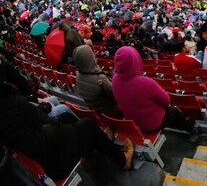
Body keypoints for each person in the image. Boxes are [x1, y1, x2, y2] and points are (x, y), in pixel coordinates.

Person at [0, 82, 134, 180]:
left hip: (45, 163)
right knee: (87, 125)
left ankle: (103, 145)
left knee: (74, 124)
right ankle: (123, 160)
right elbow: (47, 122)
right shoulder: (14, 103)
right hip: (57, 160)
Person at [112, 46, 194, 133]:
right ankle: (190, 128)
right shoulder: (145, 82)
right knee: (173, 111)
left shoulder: (114, 78)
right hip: (151, 124)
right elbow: (166, 100)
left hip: (132, 122)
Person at [73, 45, 120, 117]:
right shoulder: (100, 79)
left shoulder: (78, 74)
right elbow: (116, 96)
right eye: (92, 53)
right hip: (110, 112)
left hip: (95, 110)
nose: (94, 54)